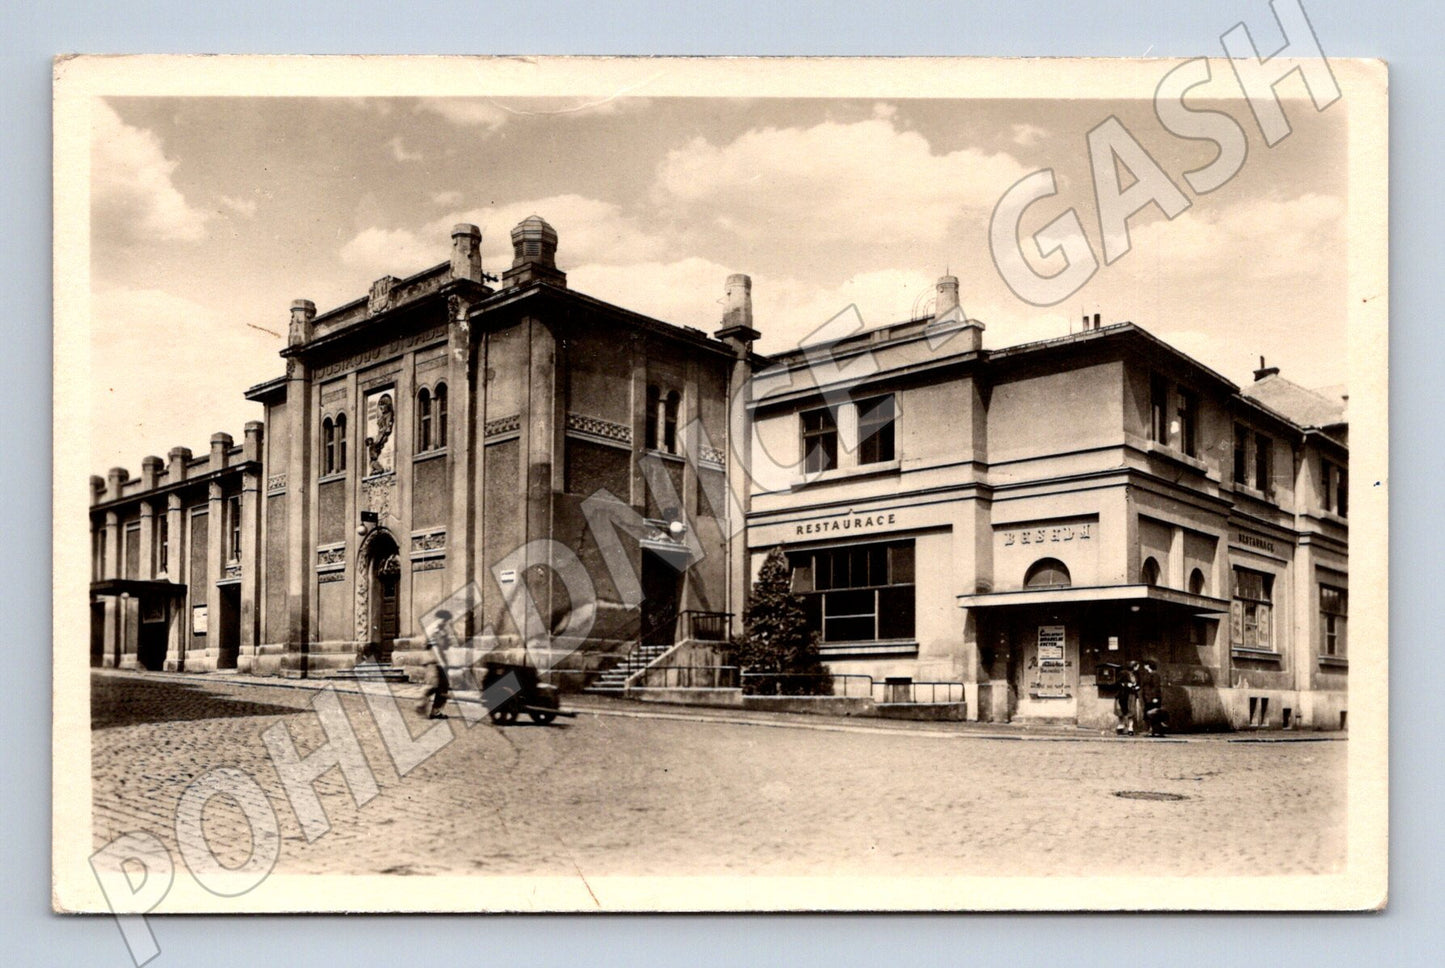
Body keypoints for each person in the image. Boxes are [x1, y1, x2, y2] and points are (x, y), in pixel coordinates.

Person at [416, 608, 452, 719]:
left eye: (446, 621)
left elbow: (445, 646)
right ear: (439, 618)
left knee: (443, 687)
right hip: (432, 661)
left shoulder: (442, 630)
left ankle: (436, 711)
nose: (445, 623)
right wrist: (442, 662)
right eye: (444, 620)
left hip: (440, 661)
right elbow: (434, 647)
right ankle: (420, 704)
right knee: (433, 685)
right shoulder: (433, 630)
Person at [1139, 658, 1168, 737]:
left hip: (1153, 698)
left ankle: (1156, 731)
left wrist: (1155, 697)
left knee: (1154, 714)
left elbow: (1156, 687)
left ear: (1148, 666)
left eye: (1145, 665)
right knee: (1149, 714)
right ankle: (1152, 730)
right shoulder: (1148, 674)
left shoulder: (1155, 675)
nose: (1144, 666)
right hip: (1147, 697)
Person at [1114, 661, 1139, 735]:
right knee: (1121, 711)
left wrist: (1136, 687)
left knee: (1131, 711)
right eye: (1137, 666)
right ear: (1133, 666)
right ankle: (1121, 726)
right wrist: (1126, 684)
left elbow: (1138, 683)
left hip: (1131, 694)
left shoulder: (1136, 674)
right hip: (1123, 694)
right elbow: (1118, 683)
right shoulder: (1123, 673)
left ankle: (1130, 728)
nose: (1138, 668)